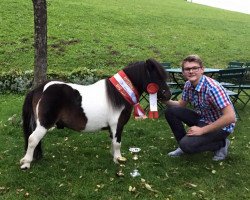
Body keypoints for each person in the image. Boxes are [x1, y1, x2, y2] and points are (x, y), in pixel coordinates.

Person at [165, 55, 236, 161]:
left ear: (202, 70)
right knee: (171, 112)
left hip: (222, 126)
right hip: (204, 119)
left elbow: (231, 117)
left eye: (195, 68)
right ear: (183, 72)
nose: (191, 71)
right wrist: (164, 100)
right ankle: (183, 144)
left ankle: (221, 143)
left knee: (187, 146)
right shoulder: (188, 84)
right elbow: (180, 105)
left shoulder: (213, 88)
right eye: (187, 69)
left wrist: (202, 130)